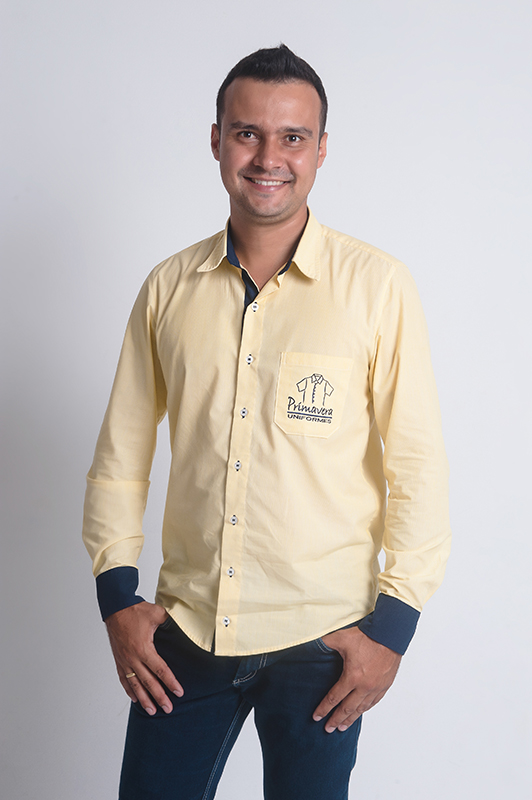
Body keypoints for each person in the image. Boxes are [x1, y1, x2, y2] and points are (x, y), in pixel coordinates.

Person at [82, 44, 451, 800]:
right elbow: (121, 457)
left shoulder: (377, 287)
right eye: (247, 133)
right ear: (217, 140)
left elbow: (417, 466)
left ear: (321, 149)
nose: (268, 158)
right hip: (186, 634)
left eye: (292, 137)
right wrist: (117, 599)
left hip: (324, 643)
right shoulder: (168, 289)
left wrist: (392, 632)